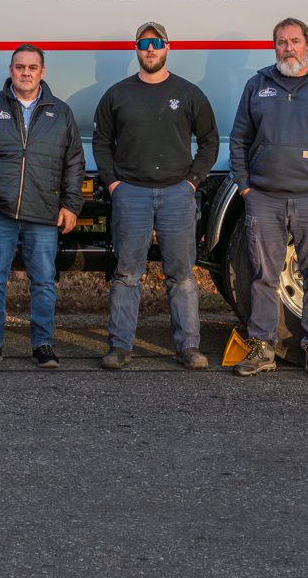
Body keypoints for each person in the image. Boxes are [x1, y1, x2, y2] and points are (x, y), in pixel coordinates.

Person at [228, 17, 308, 380]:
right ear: (275, 48)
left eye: (295, 41)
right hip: (264, 198)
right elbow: (239, 139)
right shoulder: (258, 86)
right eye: (282, 42)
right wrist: (245, 186)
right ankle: (262, 347)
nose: (289, 48)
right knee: (263, 276)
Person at [93, 21, 218, 371]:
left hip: (177, 194)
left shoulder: (188, 93)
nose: (151, 49)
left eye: (157, 43)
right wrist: (114, 184)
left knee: (181, 274)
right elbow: (102, 143)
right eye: (145, 43)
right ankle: (120, 346)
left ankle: (189, 347)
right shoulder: (118, 95)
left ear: (167, 47)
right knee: (127, 274)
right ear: (136, 48)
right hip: (130, 193)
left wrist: (192, 181)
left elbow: (209, 141)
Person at [0, 45, 84, 368]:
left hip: (43, 211)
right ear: (10, 70)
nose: (25, 73)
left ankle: (42, 344)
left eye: (32, 67)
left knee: (43, 281)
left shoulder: (61, 113)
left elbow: (74, 162)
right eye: (19, 67)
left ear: (42, 72)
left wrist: (70, 204)